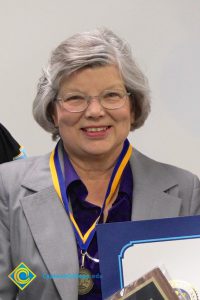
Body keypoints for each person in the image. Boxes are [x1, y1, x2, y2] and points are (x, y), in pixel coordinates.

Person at [0, 28, 199, 300]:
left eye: (111, 95)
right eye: (75, 98)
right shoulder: (6, 186)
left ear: (134, 106)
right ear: (52, 111)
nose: (95, 111)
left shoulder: (185, 190)